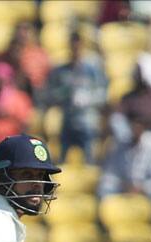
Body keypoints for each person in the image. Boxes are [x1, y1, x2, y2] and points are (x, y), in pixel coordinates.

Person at [46, 31, 107, 162]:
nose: (76, 50)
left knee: (89, 158)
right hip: (68, 119)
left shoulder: (92, 71)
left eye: (78, 46)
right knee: (62, 159)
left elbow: (103, 95)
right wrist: (66, 93)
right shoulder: (61, 71)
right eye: (73, 46)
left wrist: (89, 98)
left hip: (88, 120)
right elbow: (51, 95)